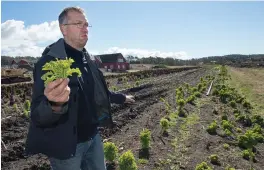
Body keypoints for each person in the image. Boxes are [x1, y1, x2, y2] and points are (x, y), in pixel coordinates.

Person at [25, 6, 135, 170]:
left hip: (93, 138)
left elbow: (99, 92)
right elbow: (38, 115)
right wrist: (54, 104)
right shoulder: (50, 63)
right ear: (64, 29)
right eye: (78, 23)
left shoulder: (88, 59)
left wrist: (122, 98)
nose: (85, 28)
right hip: (67, 146)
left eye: (86, 24)